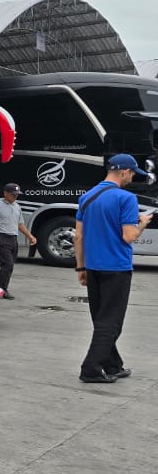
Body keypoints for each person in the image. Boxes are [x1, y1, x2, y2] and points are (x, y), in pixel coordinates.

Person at [73, 154, 153, 383]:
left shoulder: (87, 198)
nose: (133, 178)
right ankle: (90, 368)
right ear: (125, 171)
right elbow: (129, 236)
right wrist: (142, 223)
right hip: (116, 268)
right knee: (111, 321)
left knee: (101, 318)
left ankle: (112, 364)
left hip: (94, 267)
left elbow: (79, 237)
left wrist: (81, 268)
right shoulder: (126, 198)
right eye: (133, 174)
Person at [0, 183, 36, 300]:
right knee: (8, 264)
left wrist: (30, 236)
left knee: (10, 265)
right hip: (2, 237)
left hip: (13, 238)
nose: (15, 197)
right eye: (13, 194)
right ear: (5, 193)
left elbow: (20, 224)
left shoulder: (17, 207)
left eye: (17, 195)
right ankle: (2, 289)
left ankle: (3, 287)